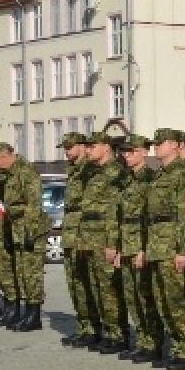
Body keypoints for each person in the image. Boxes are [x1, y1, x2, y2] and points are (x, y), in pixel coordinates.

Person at [145, 129, 185, 370]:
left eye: (161, 143)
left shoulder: (183, 174)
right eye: (155, 143)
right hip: (158, 244)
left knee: (179, 299)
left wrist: (182, 250)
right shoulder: (160, 174)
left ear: (177, 145)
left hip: (171, 245)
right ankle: (177, 345)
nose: (156, 146)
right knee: (163, 299)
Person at [114, 135, 163, 362]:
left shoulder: (150, 180)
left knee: (145, 296)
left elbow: (149, 219)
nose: (127, 155)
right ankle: (143, 340)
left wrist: (144, 249)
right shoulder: (127, 180)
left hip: (141, 243)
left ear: (144, 152)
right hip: (126, 242)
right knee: (132, 296)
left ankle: (153, 342)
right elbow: (120, 217)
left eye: (132, 151)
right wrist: (118, 248)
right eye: (125, 152)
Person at [80, 133, 130, 354]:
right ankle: (108, 331)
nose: (89, 150)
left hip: (104, 237)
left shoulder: (115, 173)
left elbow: (114, 211)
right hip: (91, 238)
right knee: (97, 287)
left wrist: (112, 242)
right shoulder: (94, 173)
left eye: (93, 146)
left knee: (110, 288)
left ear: (107, 148)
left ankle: (119, 334)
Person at [0, 142, 47, 333]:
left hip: (29, 228)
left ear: (5, 156)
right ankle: (28, 313)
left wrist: (30, 231)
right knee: (22, 273)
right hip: (17, 229)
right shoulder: (9, 175)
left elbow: (33, 203)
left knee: (31, 274)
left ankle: (34, 316)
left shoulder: (26, 172)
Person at [59, 132, 100, 347]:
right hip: (70, 231)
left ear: (83, 146)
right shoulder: (74, 170)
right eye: (65, 147)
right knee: (75, 282)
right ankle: (85, 326)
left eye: (70, 146)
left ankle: (94, 328)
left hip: (83, 231)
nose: (66, 151)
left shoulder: (90, 168)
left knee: (87, 282)